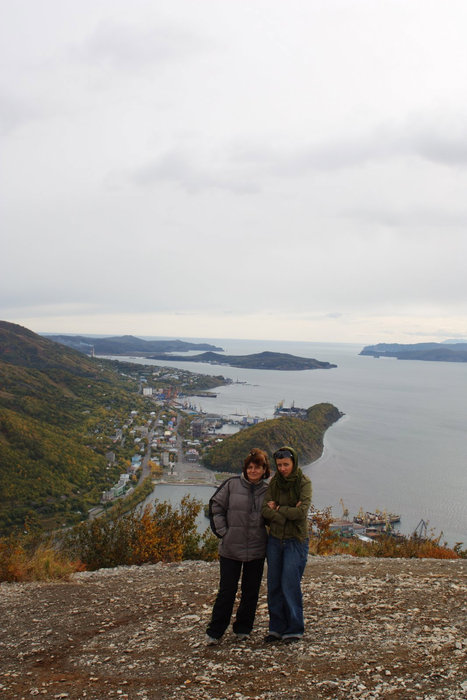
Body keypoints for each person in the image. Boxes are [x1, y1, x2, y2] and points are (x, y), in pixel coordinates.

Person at [206, 448, 270, 645]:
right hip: (231, 548)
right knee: (227, 591)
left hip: (257, 549)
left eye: (257, 467)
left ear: (264, 469)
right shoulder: (232, 485)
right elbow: (216, 507)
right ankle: (215, 631)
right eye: (250, 467)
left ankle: (243, 628)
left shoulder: (268, 491)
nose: (253, 471)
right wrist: (224, 532)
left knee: (251, 591)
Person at [261, 446, 312, 644]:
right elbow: (265, 510)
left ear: (294, 463)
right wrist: (286, 512)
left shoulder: (303, 483)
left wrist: (278, 509)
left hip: (295, 541)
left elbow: (302, 513)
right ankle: (276, 627)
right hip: (274, 540)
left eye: (286, 465)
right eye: (279, 465)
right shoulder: (275, 482)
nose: (282, 469)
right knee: (274, 584)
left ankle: (294, 628)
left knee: (289, 584)